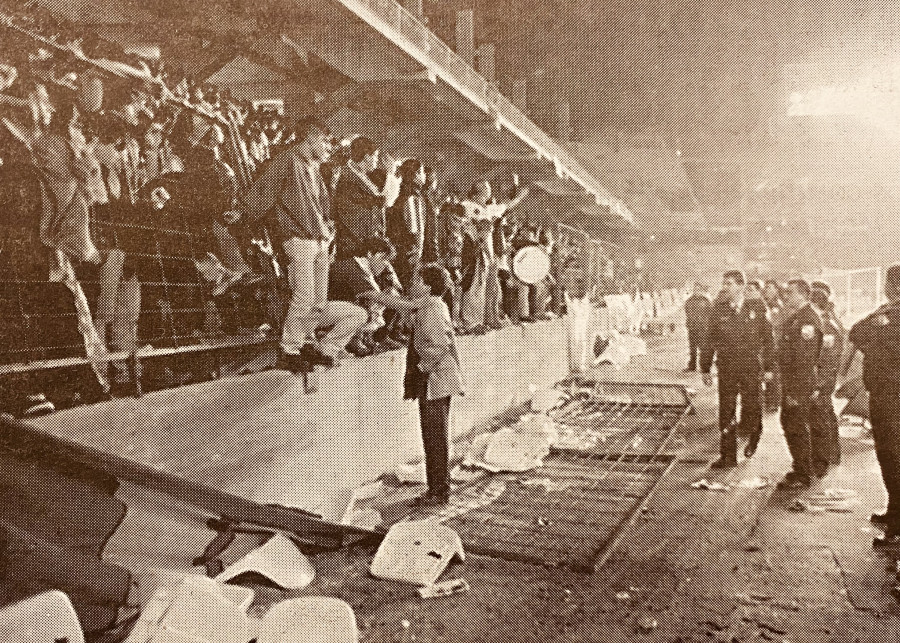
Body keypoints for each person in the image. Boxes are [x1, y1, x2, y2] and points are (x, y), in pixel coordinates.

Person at [237, 116, 334, 367]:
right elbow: (265, 189)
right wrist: (244, 212)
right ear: (310, 138)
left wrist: (328, 229)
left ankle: (305, 342)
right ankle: (289, 349)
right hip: (298, 238)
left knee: (319, 300)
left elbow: (322, 204)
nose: (328, 147)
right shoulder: (287, 160)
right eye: (324, 141)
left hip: (319, 239)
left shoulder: (313, 167)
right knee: (304, 295)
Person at [839, 265, 900, 547]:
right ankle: (894, 511)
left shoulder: (890, 317)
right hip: (884, 394)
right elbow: (859, 334)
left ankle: (897, 524)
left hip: (892, 397)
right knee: (888, 456)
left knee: (892, 456)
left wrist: (880, 317)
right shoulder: (887, 316)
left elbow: (858, 332)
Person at [404, 263, 464, 506]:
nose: (414, 284)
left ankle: (439, 490)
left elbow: (439, 346)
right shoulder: (433, 305)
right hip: (435, 379)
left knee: (434, 436)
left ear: (427, 286)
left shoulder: (432, 310)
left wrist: (421, 368)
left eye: (417, 281)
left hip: (435, 379)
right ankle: (437, 487)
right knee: (433, 435)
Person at [700, 270, 774, 467]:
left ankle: (754, 438)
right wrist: (705, 368)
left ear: (741, 286)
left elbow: (768, 340)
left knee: (753, 406)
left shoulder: (757, 307)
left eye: (729, 284)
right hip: (727, 367)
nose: (725, 287)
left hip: (751, 367)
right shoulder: (718, 309)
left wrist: (768, 367)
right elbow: (709, 340)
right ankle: (728, 456)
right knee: (727, 410)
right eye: (724, 283)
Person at [777, 278, 823, 489]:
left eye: (791, 292)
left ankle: (803, 473)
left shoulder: (808, 321)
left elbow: (805, 359)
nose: (787, 296)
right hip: (793, 382)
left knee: (796, 425)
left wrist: (794, 392)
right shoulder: (798, 317)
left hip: (799, 384)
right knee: (791, 423)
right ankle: (801, 467)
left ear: (803, 294)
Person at [331, 136, 386, 259]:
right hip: (355, 246)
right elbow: (350, 212)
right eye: (376, 156)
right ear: (367, 157)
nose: (377, 161)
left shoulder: (362, 176)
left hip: (367, 245)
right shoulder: (347, 178)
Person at [810, 281, 844, 474]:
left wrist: (817, 385)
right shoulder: (825, 322)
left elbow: (828, 361)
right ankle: (831, 454)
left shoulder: (827, 327)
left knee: (820, 417)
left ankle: (822, 461)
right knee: (826, 413)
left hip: (822, 380)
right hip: (822, 379)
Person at [684, 282, 712, 372]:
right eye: (695, 289)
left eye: (699, 289)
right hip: (692, 327)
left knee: (703, 348)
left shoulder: (706, 301)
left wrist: (707, 325)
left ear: (701, 290)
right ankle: (692, 366)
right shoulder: (689, 301)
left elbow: (710, 314)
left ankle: (704, 366)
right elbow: (687, 312)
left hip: (702, 328)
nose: (697, 291)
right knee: (692, 348)